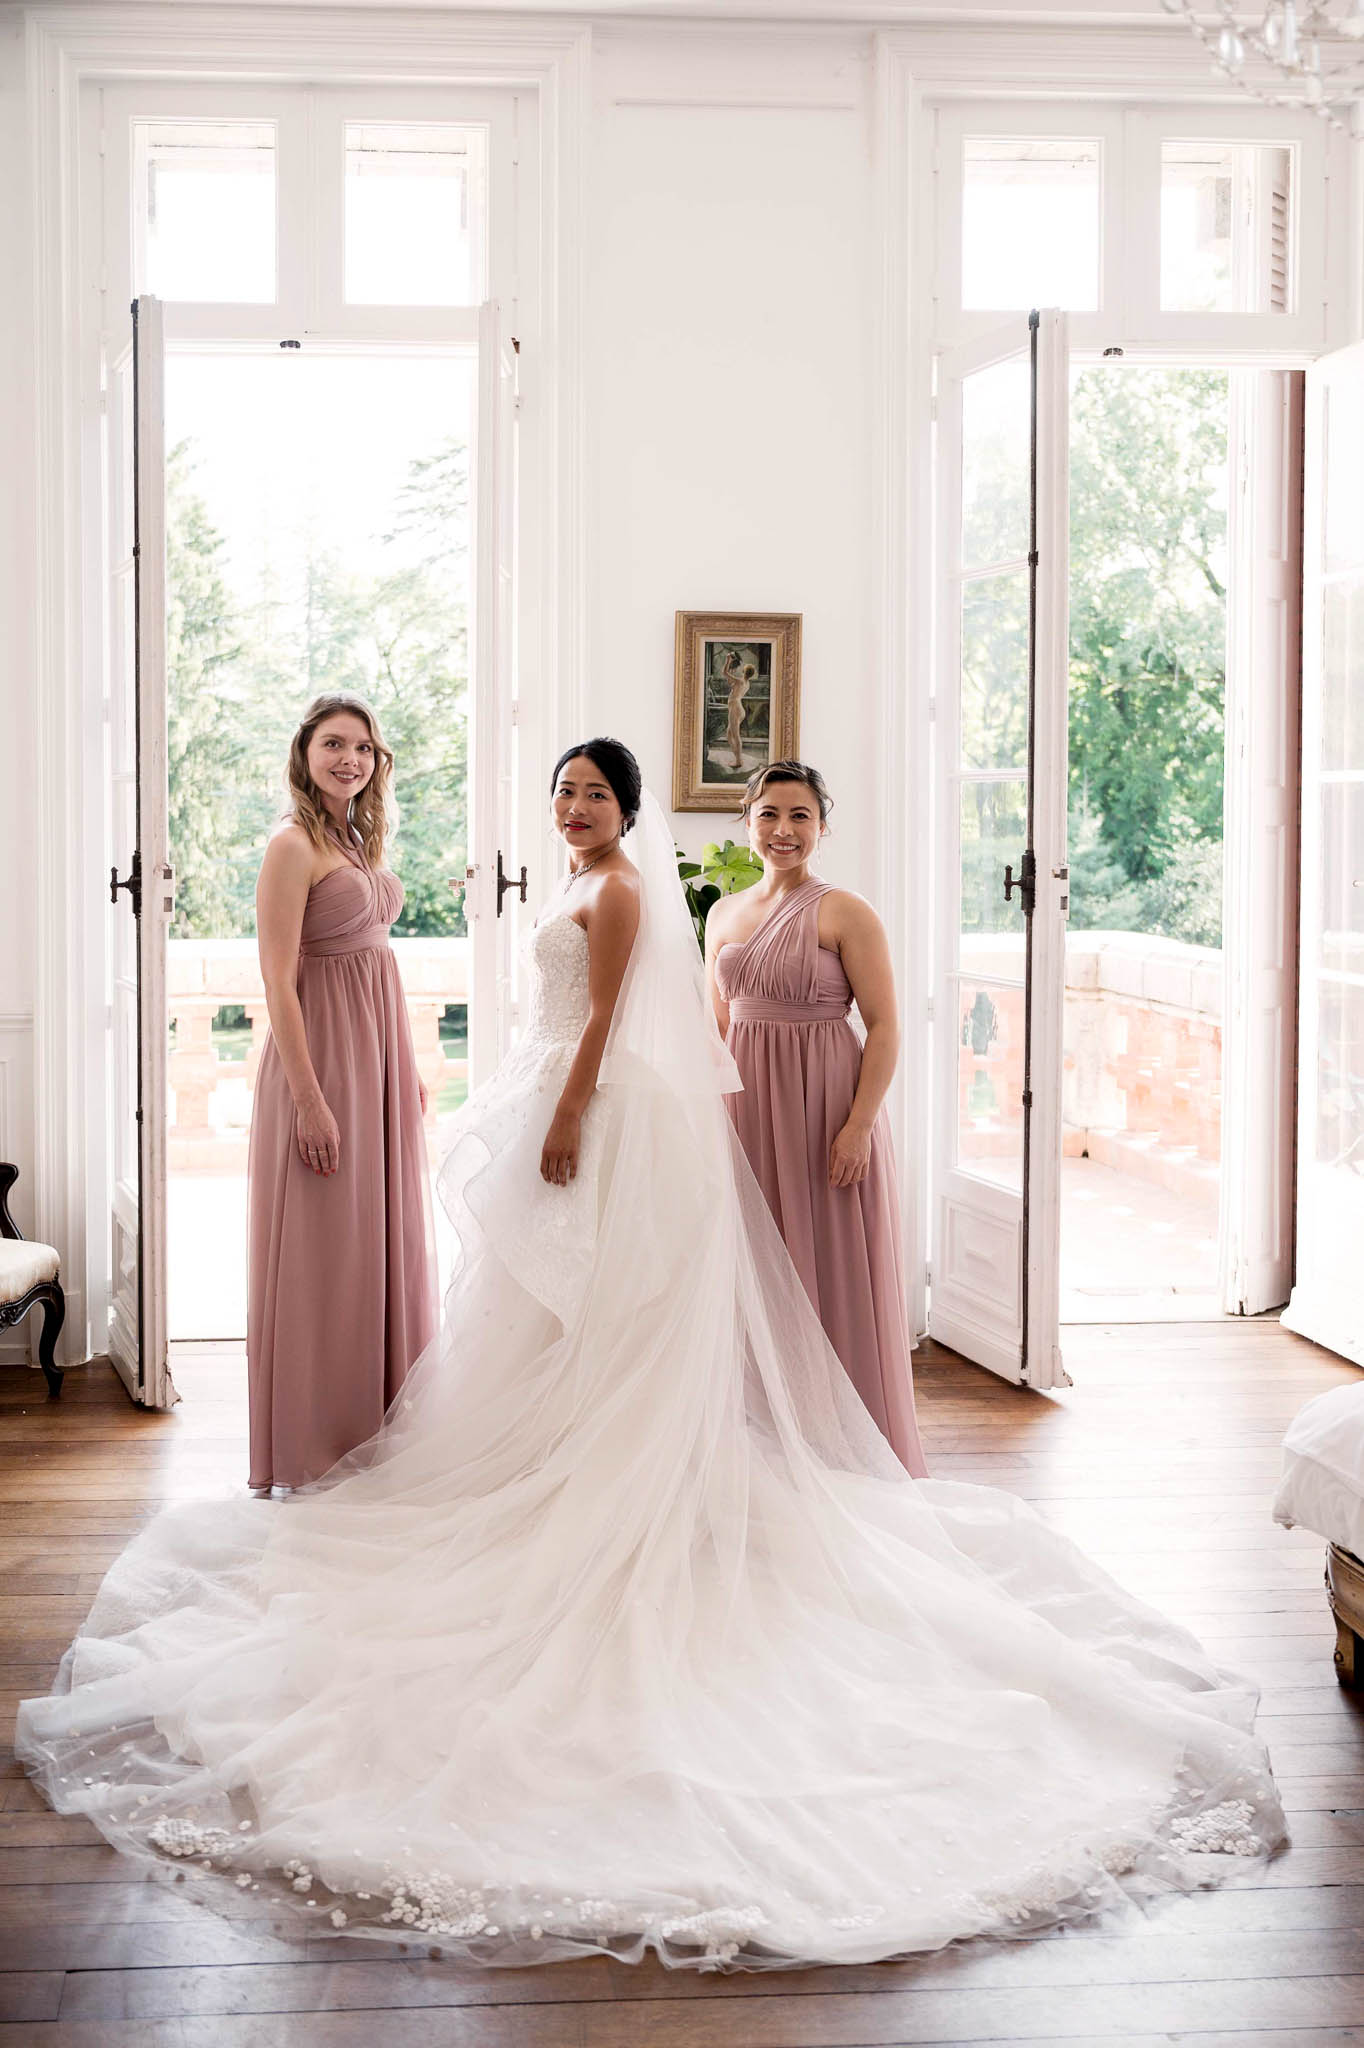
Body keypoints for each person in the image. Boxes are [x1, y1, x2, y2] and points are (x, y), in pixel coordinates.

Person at [18, 738, 1284, 1970]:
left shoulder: (625, 891)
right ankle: (555, 1469)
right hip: (551, 1105)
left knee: (596, 1322)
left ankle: (607, 1493)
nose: (573, 806)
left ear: (628, 810)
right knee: (543, 1326)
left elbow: (617, 1020)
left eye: (592, 792)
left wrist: (566, 1115)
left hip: (595, 1121)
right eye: (562, 789)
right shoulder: (588, 883)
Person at [706, 761, 926, 1475]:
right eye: (769, 814)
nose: (783, 830)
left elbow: (886, 1025)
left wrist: (859, 1126)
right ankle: (762, 1446)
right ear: (747, 823)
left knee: (824, 1272)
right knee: (752, 1274)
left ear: (823, 827)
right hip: (745, 1114)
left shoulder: (846, 911)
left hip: (827, 1109)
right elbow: (714, 1029)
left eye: (800, 816)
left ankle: (842, 1449)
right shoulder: (722, 913)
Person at [245, 692, 435, 1492]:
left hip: (376, 1059)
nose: (348, 759)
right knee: (326, 1254)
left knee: (372, 1241)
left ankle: (373, 1430)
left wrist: (409, 1066)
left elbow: (374, 959)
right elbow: (279, 984)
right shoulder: (291, 845)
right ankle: (315, 1441)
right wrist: (310, 1099)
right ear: (305, 752)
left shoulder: (356, 839)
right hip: (318, 1063)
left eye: (361, 747)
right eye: (333, 744)